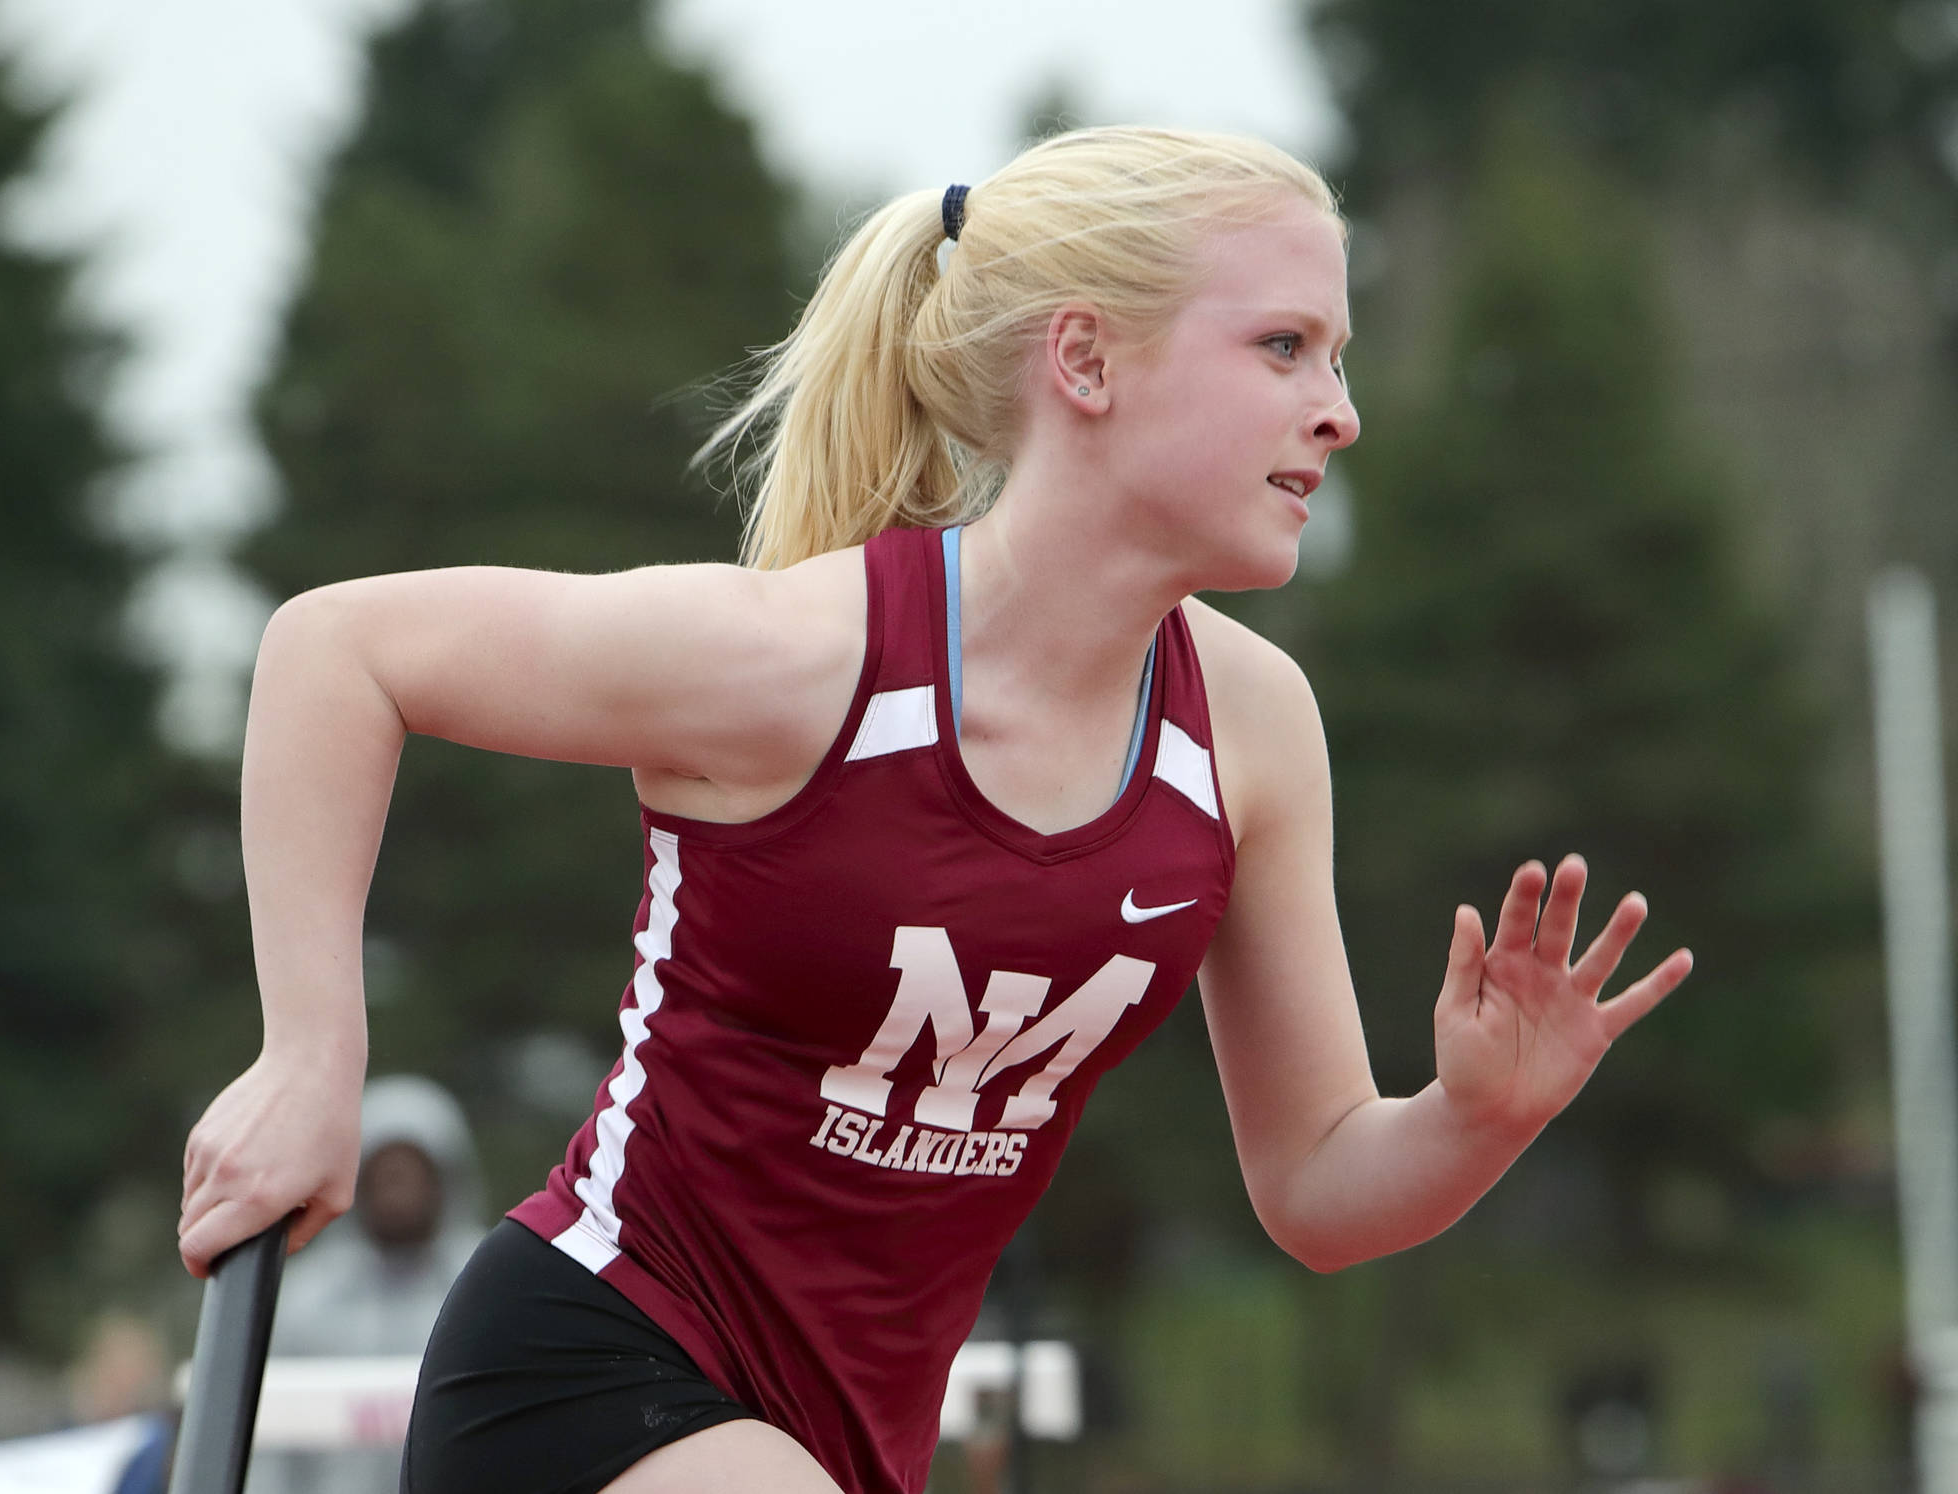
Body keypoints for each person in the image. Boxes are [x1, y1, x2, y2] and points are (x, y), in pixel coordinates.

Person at [176, 125, 1694, 1494]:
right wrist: (313, 1054)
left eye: (1340, 357)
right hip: (593, 1373)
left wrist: (1480, 1119)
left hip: (846, 1447)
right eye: (1286, 347)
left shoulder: (1250, 732)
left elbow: (1316, 1185)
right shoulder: (805, 662)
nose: (1342, 412)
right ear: (1086, 362)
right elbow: (337, 651)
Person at [242, 1074, 486, 1494]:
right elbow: (267, 1447)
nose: (397, 1188)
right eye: (382, 1172)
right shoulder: (303, 1301)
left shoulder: (489, 1289)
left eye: (412, 1171)